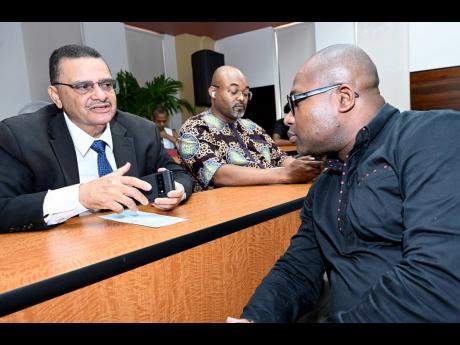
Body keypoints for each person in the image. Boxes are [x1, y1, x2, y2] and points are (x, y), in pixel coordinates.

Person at [227, 44, 460, 322]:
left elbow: (435, 282)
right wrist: (254, 319)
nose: (288, 118)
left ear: (343, 97)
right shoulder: (323, 186)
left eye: (296, 102)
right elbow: (297, 271)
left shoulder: (432, 136)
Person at [0, 44, 193, 233]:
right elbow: (4, 207)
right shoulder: (19, 136)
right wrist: (81, 196)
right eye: (83, 86)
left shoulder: (142, 130)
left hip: (133, 242)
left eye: (106, 84)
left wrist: (176, 191)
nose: (101, 95)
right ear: (56, 96)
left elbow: (178, 174)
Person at [177, 65, 322, 192]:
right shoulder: (194, 128)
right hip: (226, 213)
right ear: (213, 92)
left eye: (246, 93)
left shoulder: (252, 127)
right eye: (234, 91)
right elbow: (219, 174)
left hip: (270, 198)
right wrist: (286, 174)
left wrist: (307, 167)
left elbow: (280, 158)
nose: (242, 98)